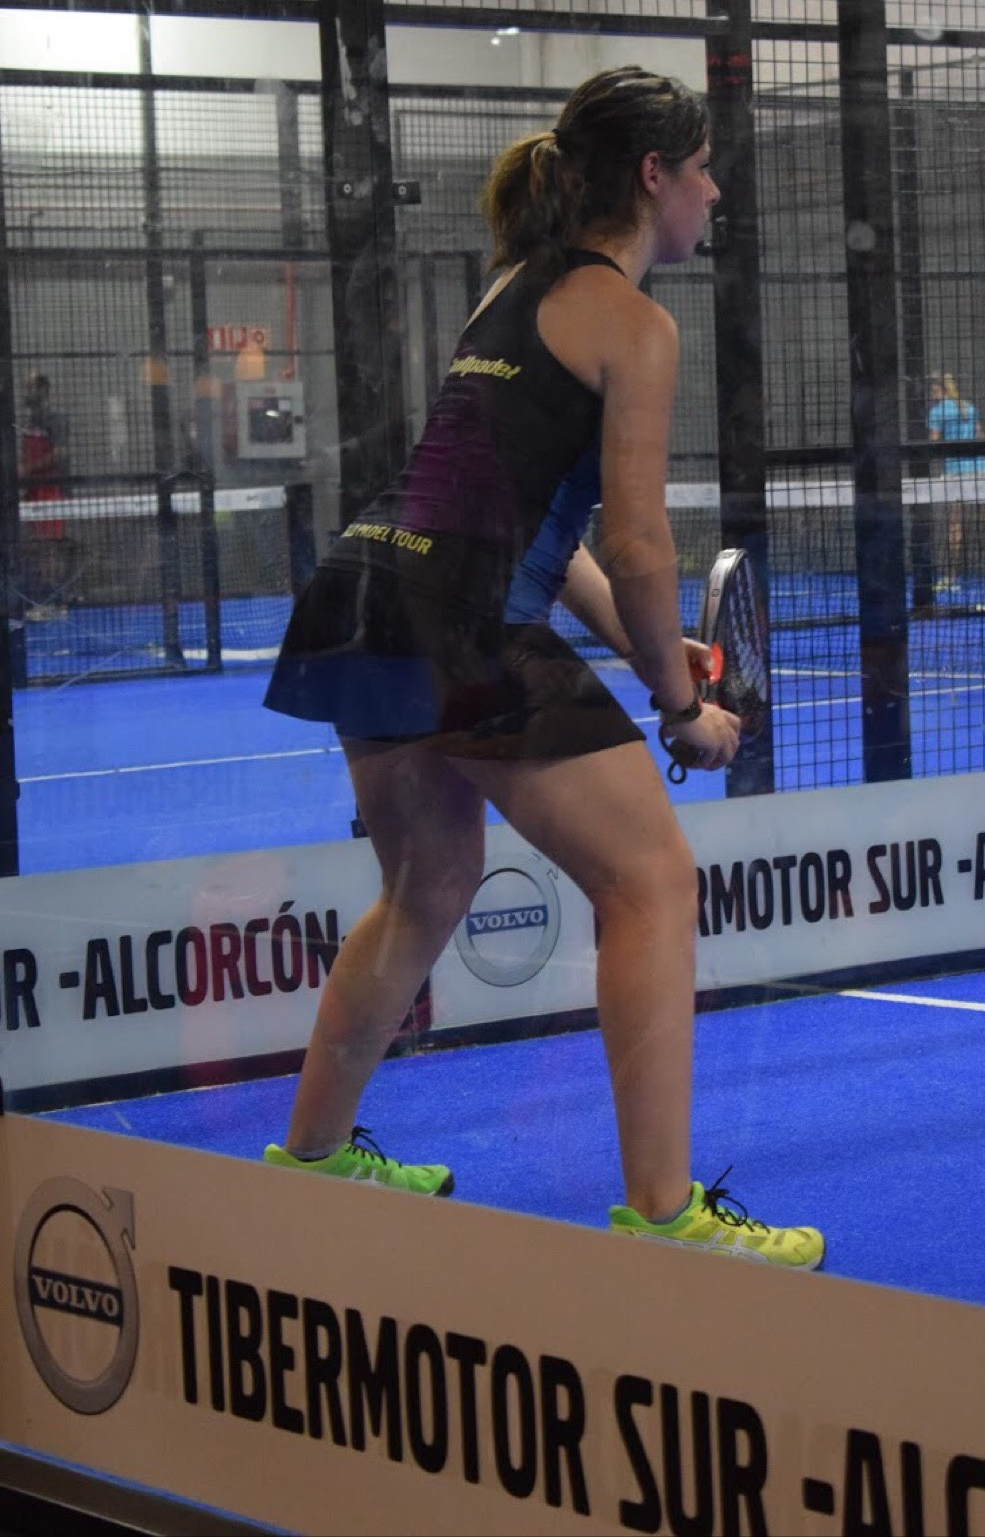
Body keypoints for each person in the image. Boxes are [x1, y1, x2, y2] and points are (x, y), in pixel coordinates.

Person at [261, 66, 824, 1269]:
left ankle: (311, 1160)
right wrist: (682, 705)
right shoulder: (635, 323)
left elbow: (549, 540)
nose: (716, 193)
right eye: (704, 169)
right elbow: (638, 543)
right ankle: (668, 1221)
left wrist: (646, 648)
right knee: (652, 881)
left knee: (428, 883)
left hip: (365, 596)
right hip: (461, 622)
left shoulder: (510, 290)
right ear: (654, 176)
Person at [927, 371, 985, 592]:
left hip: (956, 473)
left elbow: (933, 442)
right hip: (980, 470)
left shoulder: (937, 412)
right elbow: (981, 437)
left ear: (937, 390)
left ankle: (950, 578)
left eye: (932, 390)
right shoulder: (968, 408)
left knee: (955, 525)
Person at [17, 370, 72, 620]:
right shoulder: (28, 422)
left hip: (50, 490)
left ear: (44, 391)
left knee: (51, 547)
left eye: (32, 388)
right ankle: (42, 601)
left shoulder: (55, 419)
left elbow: (60, 453)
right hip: (33, 491)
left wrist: (28, 468)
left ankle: (57, 601)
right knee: (38, 547)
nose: (27, 394)